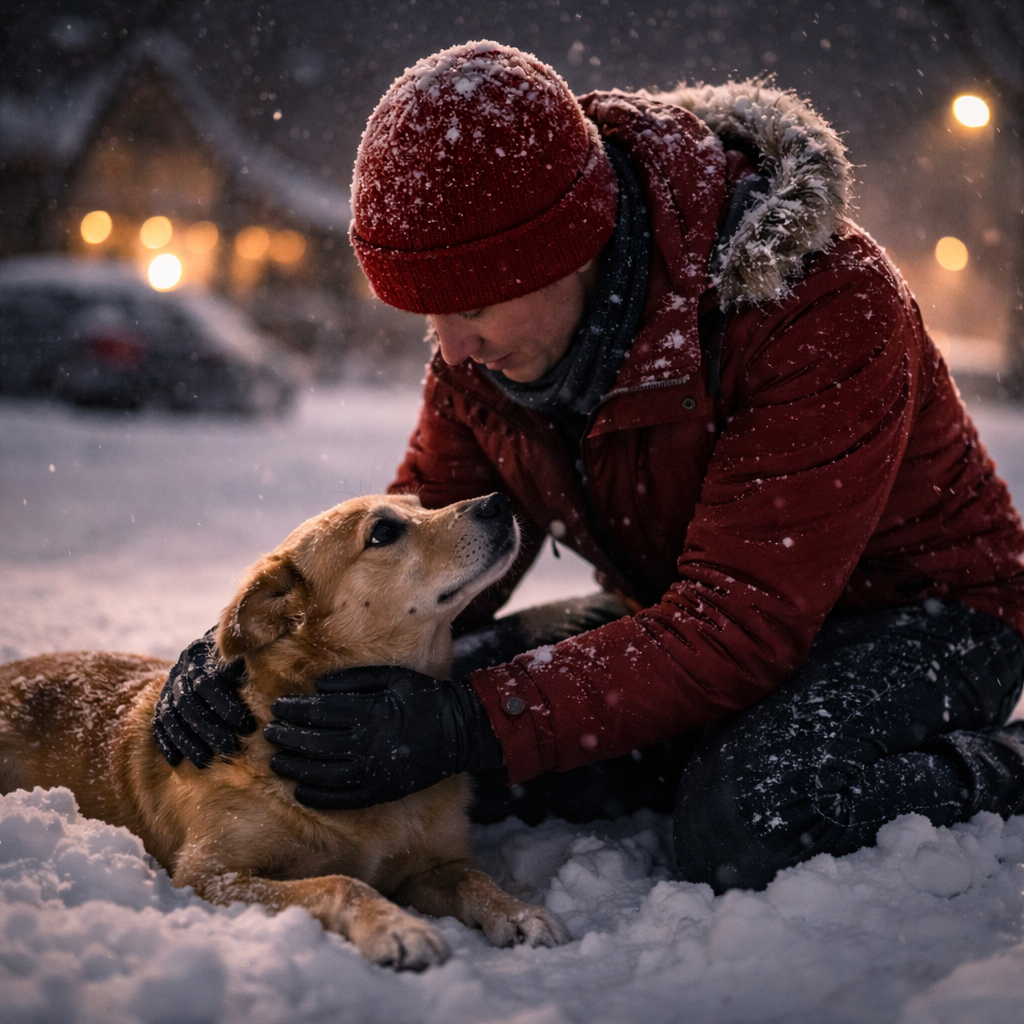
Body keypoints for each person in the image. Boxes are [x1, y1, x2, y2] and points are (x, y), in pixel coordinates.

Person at [153, 41, 1024, 893]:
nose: (451, 348)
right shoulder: (489, 357)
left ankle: (997, 769)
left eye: (474, 305)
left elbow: (742, 622)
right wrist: (244, 657)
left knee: (753, 819)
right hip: (690, 608)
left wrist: (473, 723)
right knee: (358, 723)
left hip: (926, 619)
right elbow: (434, 546)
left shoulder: (817, 302)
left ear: (570, 246)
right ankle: (702, 739)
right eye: (428, 313)